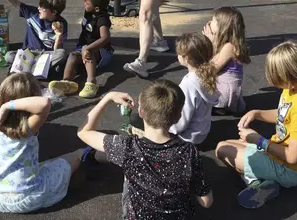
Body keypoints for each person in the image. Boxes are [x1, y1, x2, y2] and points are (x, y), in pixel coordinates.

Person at [77, 81, 214, 219]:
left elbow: (83, 132)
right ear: (178, 117)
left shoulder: (127, 147)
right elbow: (206, 202)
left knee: (128, 174)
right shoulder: (189, 151)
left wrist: (107, 98)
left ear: (141, 112)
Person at [215, 40, 297, 209]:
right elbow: (284, 114)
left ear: (291, 75)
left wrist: (259, 141)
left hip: (288, 170)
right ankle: (264, 178)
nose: (274, 83)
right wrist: (257, 113)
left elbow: (293, 157)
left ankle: (258, 182)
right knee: (228, 144)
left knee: (222, 150)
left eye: (277, 79)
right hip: (278, 154)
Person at [0, 73, 82, 213]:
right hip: (27, 197)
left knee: (40, 166)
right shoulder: (26, 127)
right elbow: (45, 103)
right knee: (74, 159)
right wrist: (8, 106)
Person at [48, 0, 113, 99]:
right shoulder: (90, 11)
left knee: (85, 50)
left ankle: (92, 82)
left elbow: (105, 38)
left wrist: (88, 47)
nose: (84, 2)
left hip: (102, 52)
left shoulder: (102, 18)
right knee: (72, 56)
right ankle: (66, 83)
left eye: (87, 2)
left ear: (96, 8)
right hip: (84, 50)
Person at [0, 0, 69, 74]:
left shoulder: (62, 24)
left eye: (42, 7)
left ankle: (28, 69)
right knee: (8, 56)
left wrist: (58, 35)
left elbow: (57, 51)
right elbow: (15, 3)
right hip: (28, 54)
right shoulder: (32, 13)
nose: (38, 8)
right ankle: (40, 70)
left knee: (61, 54)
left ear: (54, 12)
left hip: (45, 56)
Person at [169, 33, 219, 145]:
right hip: (202, 131)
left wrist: (169, 129)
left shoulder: (188, 84)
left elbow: (182, 119)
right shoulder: (207, 74)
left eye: (179, 53)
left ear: (186, 58)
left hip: (188, 137)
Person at [203, 7, 251, 114]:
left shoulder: (229, 47)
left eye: (214, 21)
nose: (209, 22)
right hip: (226, 90)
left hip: (224, 94)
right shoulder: (227, 44)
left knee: (195, 88)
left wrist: (211, 43)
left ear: (223, 27)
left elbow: (212, 68)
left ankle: (219, 107)